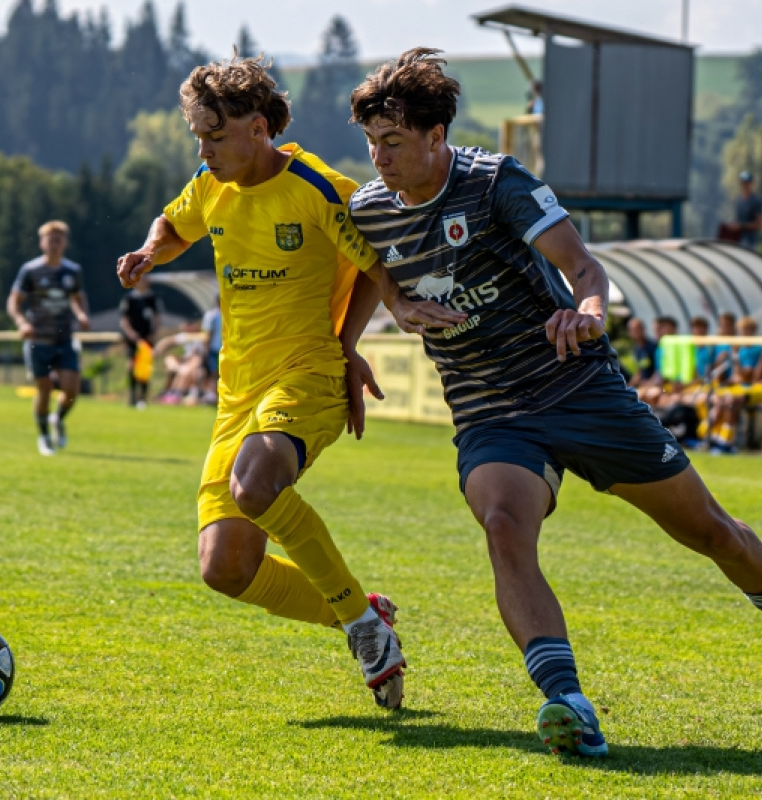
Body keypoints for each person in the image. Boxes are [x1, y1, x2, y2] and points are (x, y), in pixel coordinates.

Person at [345, 47, 762, 756]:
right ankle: (568, 704)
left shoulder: (496, 182)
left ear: (435, 136)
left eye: (393, 143)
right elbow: (366, 265)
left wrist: (589, 309)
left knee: (711, 533)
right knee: (504, 525)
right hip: (488, 410)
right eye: (371, 144)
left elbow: (583, 266)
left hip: (576, 385)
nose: (379, 160)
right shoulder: (369, 209)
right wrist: (359, 336)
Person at [116, 53, 460, 709]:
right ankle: (362, 611)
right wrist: (149, 250)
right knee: (227, 569)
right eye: (198, 135)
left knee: (256, 484)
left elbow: (373, 261)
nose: (205, 147)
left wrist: (353, 341)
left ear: (256, 128)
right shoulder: (210, 183)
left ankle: (363, 630)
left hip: (306, 377)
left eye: (215, 135)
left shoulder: (316, 186)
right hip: (236, 395)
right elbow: (175, 222)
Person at [7, 220, 90, 456]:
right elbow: (14, 302)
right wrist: (22, 322)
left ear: (65, 243)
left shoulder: (72, 271)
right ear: (42, 242)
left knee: (71, 391)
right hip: (38, 340)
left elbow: (77, 297)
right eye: (50, 239)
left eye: (58, 239)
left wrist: (82, 315)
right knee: (44, 389)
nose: (54, 244)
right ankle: (44, 436)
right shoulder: (30, 270)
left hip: (64, 340)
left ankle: (58, 419)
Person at [118, 273, 160, 408]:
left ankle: (143, 398)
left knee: (145, 368)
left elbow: (157, 317)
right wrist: (131, 334)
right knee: (132, 366)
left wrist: (154, 333)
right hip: (134, 339)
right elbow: (124, 320)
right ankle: (132, 396)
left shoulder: (152, 298)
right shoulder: (129, 299)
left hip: (146, 338)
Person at [726, 171, 762, 251]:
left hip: (750, 242)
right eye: (743, 183)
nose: (745, 185)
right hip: (737, 241)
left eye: (747, 182)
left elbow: (759, 224)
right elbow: (738, 220)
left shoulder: (756, 201)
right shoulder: (738, 201)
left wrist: (741, 226)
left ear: (751, 183)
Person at [201, 293, 222, 405]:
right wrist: (206, 349)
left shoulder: (229, 314)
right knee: (214, 373)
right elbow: (208, 334)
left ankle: (217, 397)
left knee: (221, 374)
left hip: (225, 349)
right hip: (214, 349)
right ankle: (213, 397)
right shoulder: (212, 316)